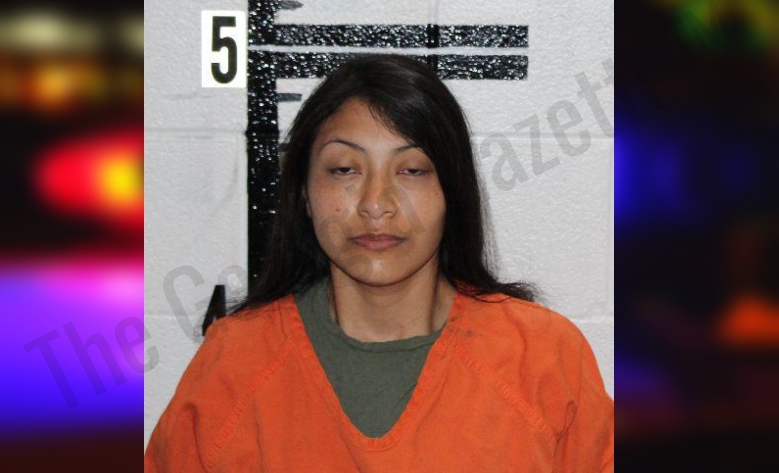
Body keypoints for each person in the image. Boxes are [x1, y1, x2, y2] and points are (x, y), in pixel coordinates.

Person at [144, 54, 614, 472]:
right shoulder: (233, 362)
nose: (376, 203)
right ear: (305, 193)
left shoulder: (546, 359)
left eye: (411, 170)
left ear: (452, 191)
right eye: (344, 169)